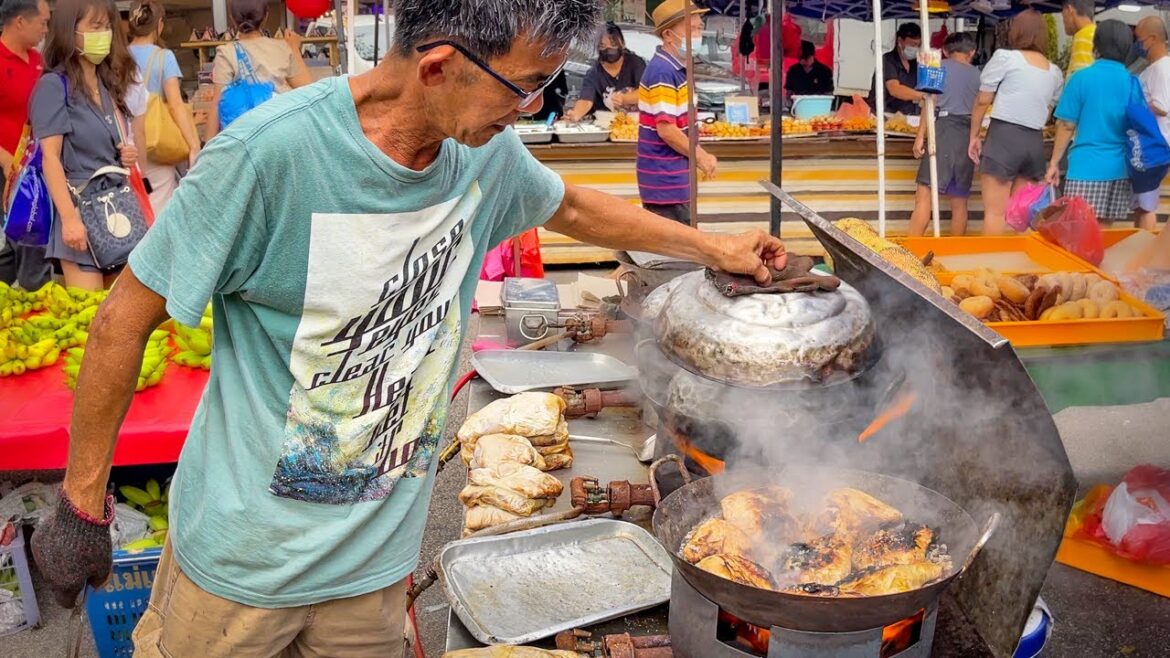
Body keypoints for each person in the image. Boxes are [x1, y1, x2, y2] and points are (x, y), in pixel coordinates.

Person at [29, 2, 787, 656]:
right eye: (524, 88)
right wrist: (81, 506)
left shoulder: (481, 155)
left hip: (371, 569)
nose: (530, 108)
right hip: (244, 567)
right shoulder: (268, 156)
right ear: (438, 68)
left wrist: (716, 249)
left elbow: (574, 207)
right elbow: (121, 322)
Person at [29, 0, 143, 290]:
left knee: (123, 313)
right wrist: (69, 219)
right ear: (70, 32)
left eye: (106, 26)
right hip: (80, 209)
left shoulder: (105, 84)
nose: (103, 34)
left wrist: (125, 155)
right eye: (95, 27)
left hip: (118, 209)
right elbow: (50, 159)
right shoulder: (54, 86)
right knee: (89, 316)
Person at [968, 10, 1063, 235]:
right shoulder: (1055, 72)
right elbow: (1049, 109)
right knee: (1020, 215)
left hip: (1004, 138)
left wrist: (974, 136)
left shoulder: (1006, 58)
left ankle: (990, 268)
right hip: (1034, 142)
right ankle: (1015, 267)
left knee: (995, 213)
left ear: (1015, 31)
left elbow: (983, 101)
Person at [1046, 21, 1136, 227]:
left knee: (1079, 230)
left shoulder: (1081, 78)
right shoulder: (1132, 82)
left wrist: (1053, 163)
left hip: (1086, 167)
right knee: (1102, 231)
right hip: (1120, 168)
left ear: (1096, 45)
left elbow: (1066, 125)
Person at [636, 0, 717, 224]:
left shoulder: (675, 68)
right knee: (677, 254)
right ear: (669, 35)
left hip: (674, 182)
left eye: (700, 28)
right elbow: (667, 129)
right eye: (692, 29)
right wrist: (701, 156)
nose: (699, 34)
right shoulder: (663, 70)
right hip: (666, 184)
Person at [126, 0, 202, 214]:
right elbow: (176, 105)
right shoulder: (163, 57)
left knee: (133, 203)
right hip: (155, 143)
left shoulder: (119, 56)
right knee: (158, 205)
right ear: (159, 24)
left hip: (126, 144)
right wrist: (194, 145)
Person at [203, 0, 312, 141]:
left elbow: (218, 103)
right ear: (266, 16)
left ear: (231, 17)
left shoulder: (226, 53)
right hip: (282, 133)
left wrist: (206, 146)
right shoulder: (282, 48)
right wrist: (295, 50)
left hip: (246, 137)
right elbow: (308, 89)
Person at [0, 0, 52, 291]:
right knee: (20, 239)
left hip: (35, 169)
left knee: (26, 238)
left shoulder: (38, 61)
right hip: (6, 170)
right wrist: (6, 159)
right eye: (42, 22)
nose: (45, 30)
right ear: (20, 21)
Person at [910, 32, 981, 237]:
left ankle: (909, 252)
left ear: (944, 51)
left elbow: (929, 103)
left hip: (944, 130)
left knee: (924, 196)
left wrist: (920, 136)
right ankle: (955, 254)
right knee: (959, 202)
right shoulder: (979, 75)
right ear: (972, 52)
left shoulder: (937, 68)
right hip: (968, 134)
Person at [1131, 16, 1170, 231]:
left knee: (1146, 207)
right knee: (1141, 205)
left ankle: (1145, 256)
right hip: (1149, 147)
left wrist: (1135, 108)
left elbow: (1162, 105)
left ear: (1153, 39)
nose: (1138, 44)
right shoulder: (1155, 68)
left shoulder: (1162, 68)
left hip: (1154, 147)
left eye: (1140, 39)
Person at [564, 23, 646, 121]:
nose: (609, 49)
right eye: (603, 46)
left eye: (613, 44)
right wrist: (576, 114)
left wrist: (624, 99)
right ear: (598, 48)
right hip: (606, 124)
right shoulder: (594, 73)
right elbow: (586, 100)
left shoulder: (636, 64)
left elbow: (646, 92)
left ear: (622, 44)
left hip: (636, 124)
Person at [870, 22, 923, 116]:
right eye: (912, 44)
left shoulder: (915, 63)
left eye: (918, 46)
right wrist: (923, 96)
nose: (915, 48)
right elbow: (894, 89)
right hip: (884, 114)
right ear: (900, 41)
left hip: (907, 114)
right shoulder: (888, 60)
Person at [1063, 0, 1096, 76]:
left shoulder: (1082, 37)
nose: (1063, 21)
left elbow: (1079, 79)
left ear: (1069, 9)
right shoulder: (1096, 33)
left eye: (1063, 14)